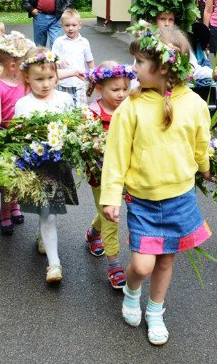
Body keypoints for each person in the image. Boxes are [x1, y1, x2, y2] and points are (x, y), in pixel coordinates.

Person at [101, 26, 212, 345]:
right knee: (141, 265)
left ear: (163, 67)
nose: (133, 68)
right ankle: (132, 290)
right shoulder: (131, 107)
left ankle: (155, 310)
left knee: (165, 259)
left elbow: (200, 144)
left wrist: (205, 168)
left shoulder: (194, 104)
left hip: (180, 198)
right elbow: (116, 156)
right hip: (143, 201)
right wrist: (111, 196)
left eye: (139, 62)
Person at [14, 48, 79, 283]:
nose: (45, 84)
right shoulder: (23, 104)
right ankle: (54, 264)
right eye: (39, 79)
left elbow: (73, 128)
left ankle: (44, 239)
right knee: (48, 214)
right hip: (38, 167)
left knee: (49, 212)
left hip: (58, 166)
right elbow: (21, 137)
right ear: (27, 78)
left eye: (50, 77)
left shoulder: (64, 100)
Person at [83, 61, 135, 289]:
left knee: (105, 213)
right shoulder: (90, 114)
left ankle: (94, 233)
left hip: (127, 173)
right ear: (99, 88)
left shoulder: (130, 108)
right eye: (115, 90)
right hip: (101, 175)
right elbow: (84, 144)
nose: (121, 94)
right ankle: (114, 264)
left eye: (125, 89)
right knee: (111, 217)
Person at [0, 31, 33, 234]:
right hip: (6, 135)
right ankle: (4, 212)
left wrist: (73, 71)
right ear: (12, 65)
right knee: (7, 178)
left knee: (20, 174)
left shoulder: (26, 80)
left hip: (24, 135)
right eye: (24, 64)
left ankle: (14, 206)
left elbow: (48, 77)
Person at [52, 8, 96, 108]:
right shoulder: (59, 42)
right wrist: (59, 60)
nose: (70, 28)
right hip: (64, 82)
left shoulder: (84, 42)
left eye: (74, 25)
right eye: (67, 25)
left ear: (79, 25)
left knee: (81, 107)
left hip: (80, 82)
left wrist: (93, 74)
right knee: (65, 107)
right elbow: (52, 58)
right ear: (62, 26)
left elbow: (89, 60)